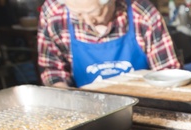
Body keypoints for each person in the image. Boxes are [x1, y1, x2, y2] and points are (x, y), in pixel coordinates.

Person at [38, 0, 181, 88]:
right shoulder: (54, 13)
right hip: (87, 111)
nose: (88, 21)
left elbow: (168, 73)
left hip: (142, 106)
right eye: (78, 14)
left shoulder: (142, 12)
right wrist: (64, 95)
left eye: (94, 13)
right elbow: (52, 69)